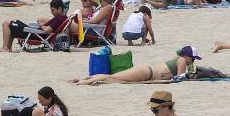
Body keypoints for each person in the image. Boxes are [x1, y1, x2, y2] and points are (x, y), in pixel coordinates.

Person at [71, 46, 202, 85]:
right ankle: (83, 82)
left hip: (146, 71)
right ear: (187, 56)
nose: (193, 61)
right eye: (193, 59)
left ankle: (85, 79)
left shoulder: (179, 59)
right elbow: (180, 78)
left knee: (114, 76)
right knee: (112, 77)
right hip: (146, 72)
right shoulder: (182, 60)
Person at [0, 0, 70, 52]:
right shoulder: (63, 18)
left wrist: (41, 25)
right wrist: (42, 24)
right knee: (12, 22)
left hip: (34, 34)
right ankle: (8, 48)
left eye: (53, 10)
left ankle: (5, 48)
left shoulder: (59, 19)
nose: (51, 12)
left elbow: (46, 30)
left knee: (6, 23)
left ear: (60, 9)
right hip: (34, 33)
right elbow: (50, 28)